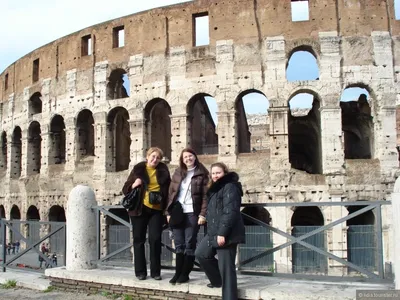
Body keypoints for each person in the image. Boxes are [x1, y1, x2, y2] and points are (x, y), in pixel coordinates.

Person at [195, 162, 245, 300]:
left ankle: (229, 296)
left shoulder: (230, 186)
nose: (216, 175)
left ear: (225, 173)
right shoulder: (215, 188)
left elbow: (230, 211)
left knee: (227, 268)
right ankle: (218, 281)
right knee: (201, 253)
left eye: (218, 173)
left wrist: (222, 233)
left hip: (227, 232)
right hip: (213, 231)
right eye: (213, 173)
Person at [122, 147, 171, 281]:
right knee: (139, 240)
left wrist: (167, 210)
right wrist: (134, 185)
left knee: (155, 239)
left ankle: (155, 272)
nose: (155, 159)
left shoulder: (163, 171)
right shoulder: (138, 170)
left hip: (156, 209)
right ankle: (140, 272)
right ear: (147, 156)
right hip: (139, 209)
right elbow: (125, 188)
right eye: (153, 156)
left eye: (158, 158)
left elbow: (169, 192)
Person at [166, 148, 209, 284]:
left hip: (192, 212)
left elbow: (205, 197)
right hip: (178, 211)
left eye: (190, 156)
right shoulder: (178, 172)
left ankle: (185, 274)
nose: (188, 159)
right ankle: (178, 273)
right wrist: (168, 212)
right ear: (182, 159)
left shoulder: (202, 173)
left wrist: (203, 214)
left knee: (189, 243)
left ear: (195, 156)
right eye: (185, 157)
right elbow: (171, 193)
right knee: (179, 243)